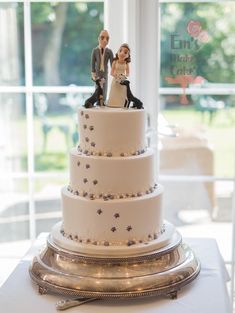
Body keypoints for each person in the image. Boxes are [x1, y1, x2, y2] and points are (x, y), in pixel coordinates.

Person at [91, 30, 113, 102]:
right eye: (102, 38)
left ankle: (103, 100)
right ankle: (97, 100)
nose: (105, 40)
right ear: (98, 39)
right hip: (97, 72)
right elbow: (93, 62)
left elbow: (112, 63)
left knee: (105, 86)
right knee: (97, 86)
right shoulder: (95, 50)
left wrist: (115, 69)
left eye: (107, 38)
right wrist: (93, 72)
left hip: (105, 72)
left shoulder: (109, 51)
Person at [107, 43, 131, 108]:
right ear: (118, 52)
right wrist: (116, 76)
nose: (122, 53)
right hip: (115, 80)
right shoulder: (115, 62)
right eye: (120, 51)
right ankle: (112, 103)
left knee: (122, 93)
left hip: (122, 81)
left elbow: (128, 73)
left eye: (125, 52)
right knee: (114, 92)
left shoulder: (126, 63)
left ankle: (122, 104)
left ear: (128, 55)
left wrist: (124, 76)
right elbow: (111, 72)